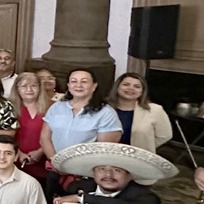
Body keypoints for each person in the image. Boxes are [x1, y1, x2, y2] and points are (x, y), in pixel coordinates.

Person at [40, 69, 122, 197]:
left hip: (86, 175)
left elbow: (103, 149)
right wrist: (56, 162)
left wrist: (75, 168)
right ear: (68, 85)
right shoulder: (57, 107)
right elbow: (45, 138)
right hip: (56, 170)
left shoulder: (105, 112)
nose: (78, 85)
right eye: (74, 81)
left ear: (94, 86)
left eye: (84, 82)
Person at [108, 72, 171, 153]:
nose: (131, 88)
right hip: (109, 154)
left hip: (138, 156)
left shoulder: (155, 110)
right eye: (126, 84)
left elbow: (165, 135)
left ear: (142, 91)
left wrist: (145, 146)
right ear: (117, 87)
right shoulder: (104, 108)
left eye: (137, 86)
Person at [10, 72, 51, 181]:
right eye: (24, 86)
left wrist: (41, 151)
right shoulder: (8, 107)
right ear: (17, 89)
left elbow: (58, 134)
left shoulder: (52, 107)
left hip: (44, 162)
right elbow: (5, 135)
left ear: (40, 88)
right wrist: (18, 153)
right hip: (15, 162)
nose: (29, 90)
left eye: (33, 86)